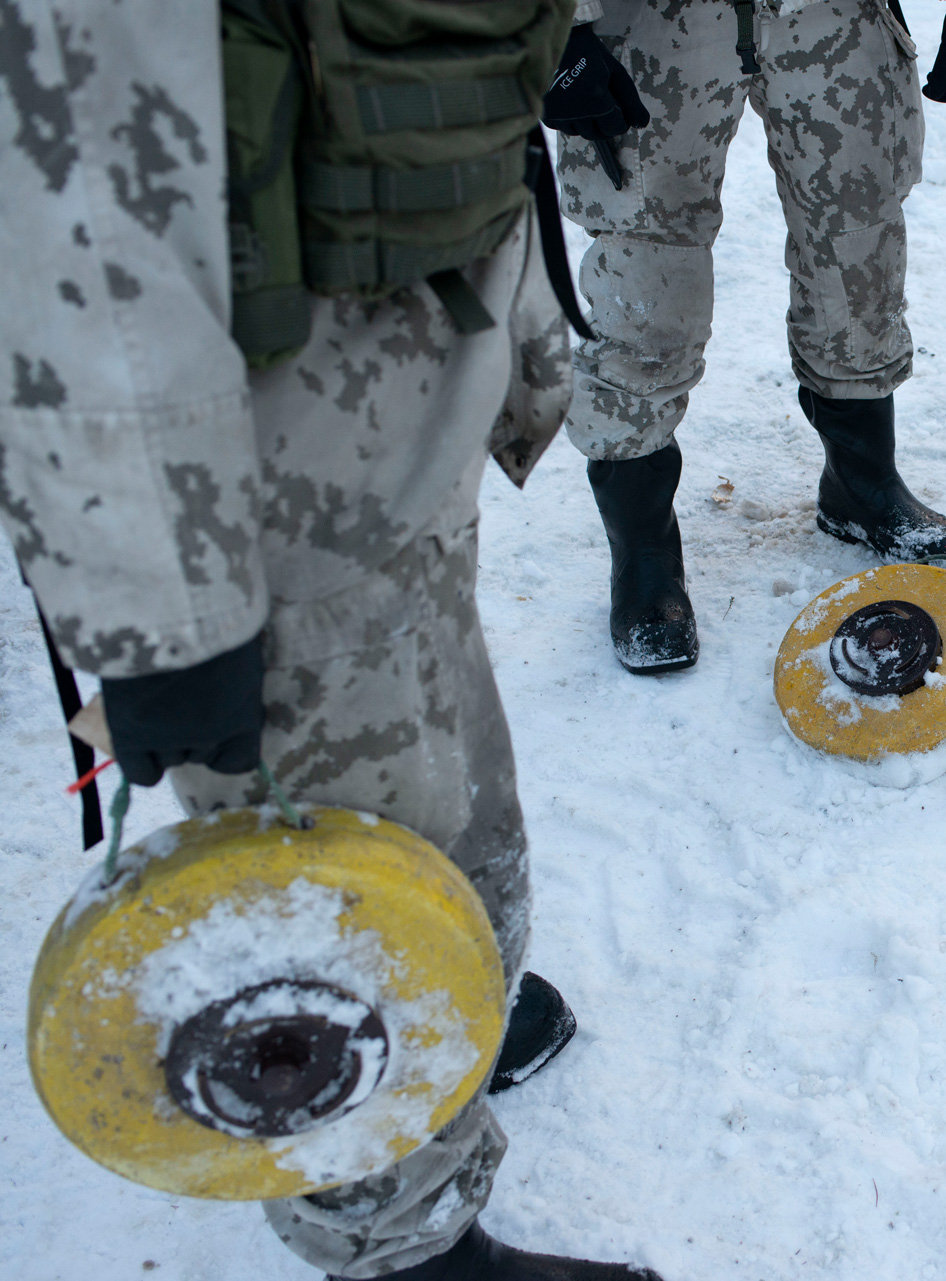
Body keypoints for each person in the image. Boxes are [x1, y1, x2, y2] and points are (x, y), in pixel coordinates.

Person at [1, 2, 643, 1276]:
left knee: (443, 781)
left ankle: (445, 1003)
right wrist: (163, 606)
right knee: (325, 882)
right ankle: (396, 1240)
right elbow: (71, 186)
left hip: (399, 384)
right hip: (259, 426)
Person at [542, 0, 946, 674]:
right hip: (651, 19)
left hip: (833, 13)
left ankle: (861, 485)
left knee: (858, 244)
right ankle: (642, 550)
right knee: (644, 276)